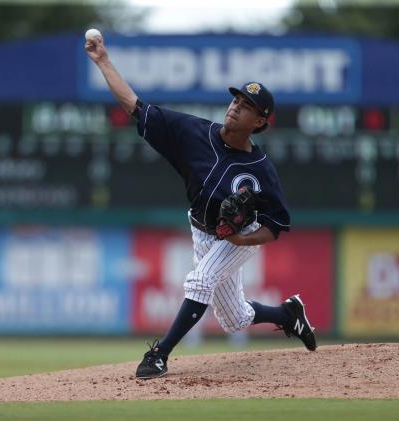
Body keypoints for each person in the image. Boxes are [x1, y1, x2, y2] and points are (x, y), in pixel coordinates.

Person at [86, 35, 317, 380]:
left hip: (239, 236)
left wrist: (240, 241)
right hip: (201, 229)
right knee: (234, 319)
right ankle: (289, 314)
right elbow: (135, 105)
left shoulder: (262, 171)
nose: (235, 106)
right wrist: (103, 60)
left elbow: (276, 226)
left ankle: (159, 355)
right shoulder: (193, 132)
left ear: (259, 122)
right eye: (236, 99)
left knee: (200, 281)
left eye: (246, 105)